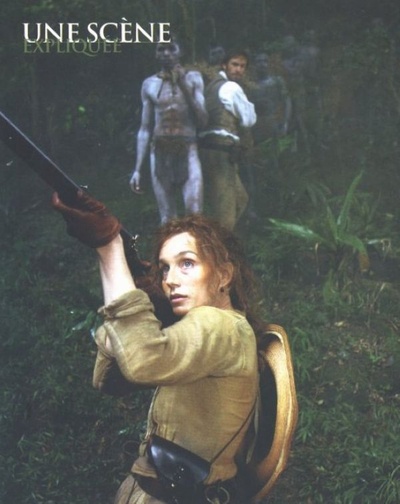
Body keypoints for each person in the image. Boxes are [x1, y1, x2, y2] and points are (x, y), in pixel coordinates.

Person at [52, 190, 260, 503]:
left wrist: (110, 248)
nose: (170, 280)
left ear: (224, 275)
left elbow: (142, 363)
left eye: (187, 263)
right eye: (164, 268)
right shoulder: (210, 334)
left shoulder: (221, 325)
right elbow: (110, 380)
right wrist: (133, 298)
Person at [130, 37, 208, 224]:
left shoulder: (193, 78)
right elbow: (144, 129)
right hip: (159, 149)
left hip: (187, 148)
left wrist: (183, 85)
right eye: (161, 49)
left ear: (180, 52)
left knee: (194, 213)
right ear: (156, 54)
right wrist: (137, 169)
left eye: (171, 49)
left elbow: (203, 120)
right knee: (167, 216)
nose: (166, 53)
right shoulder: (149, 84)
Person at [199, 48, 257, 231]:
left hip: (209, 149)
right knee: (226, 212)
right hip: (220, 151)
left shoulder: (210, 86)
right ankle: (218, 243)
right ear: (224, 65)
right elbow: (249, 119)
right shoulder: (231, 87)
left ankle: (215, 236)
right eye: (235, 64)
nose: (238, 70)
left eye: (242, 66)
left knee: (240, 199)